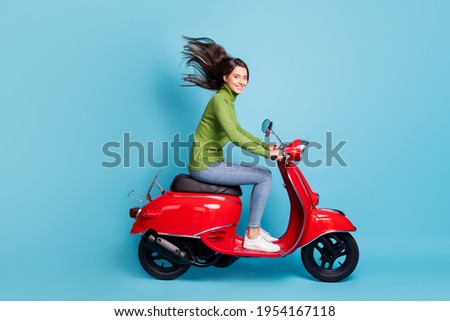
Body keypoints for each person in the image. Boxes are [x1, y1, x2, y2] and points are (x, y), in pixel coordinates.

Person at [182, 36, 282, 253]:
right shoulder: (220, 100)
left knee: (263, 174)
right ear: (225, 77)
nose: (241, 81)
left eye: (245, 77)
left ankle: (253, 231)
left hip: (211, 163)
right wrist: (267, 155)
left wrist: (268, 148)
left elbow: (239, 131)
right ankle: (253, 234)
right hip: (205, 166)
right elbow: (235, 137)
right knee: (264, 176)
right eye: (237, 76)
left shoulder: (226, 100)